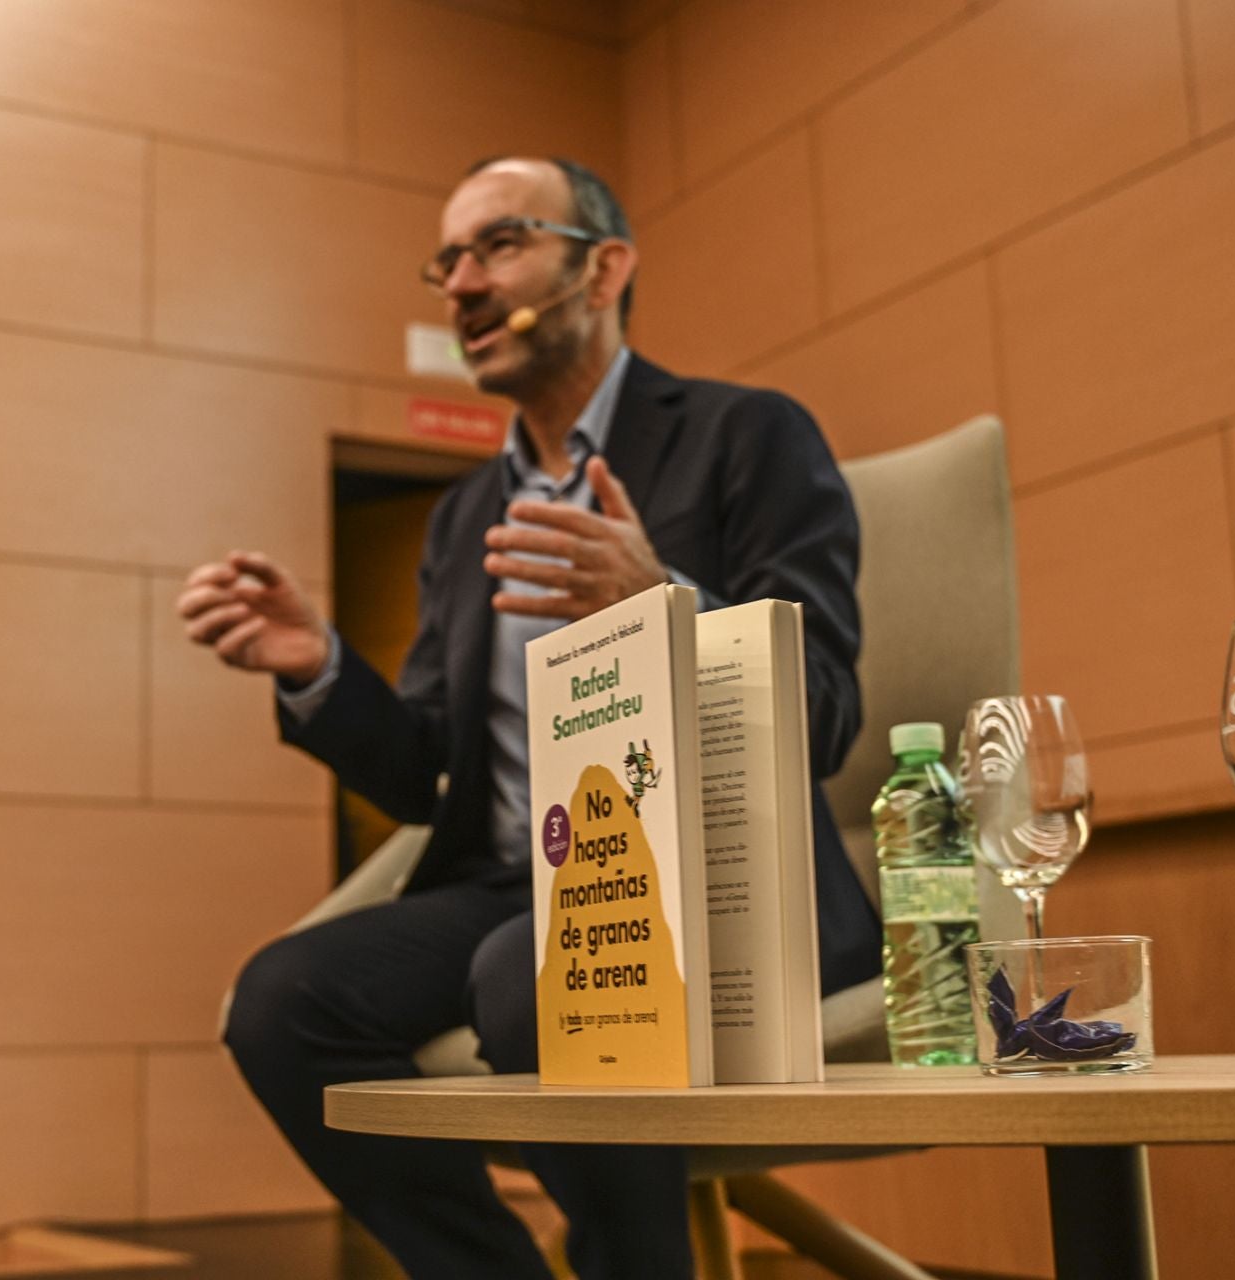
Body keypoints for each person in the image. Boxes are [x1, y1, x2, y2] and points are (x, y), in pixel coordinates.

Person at [176, 156, 880, 1279]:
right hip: (517, 875)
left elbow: (828, 713)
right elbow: (420, 777)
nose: (459, 283)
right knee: (281, 1000)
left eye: (497, 245)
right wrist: (319, 667)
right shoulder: (465, 518)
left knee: (540, 965)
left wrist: (669, 606)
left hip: (721, 878)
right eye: (446, 260)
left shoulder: (746, 436)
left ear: (602, 269)